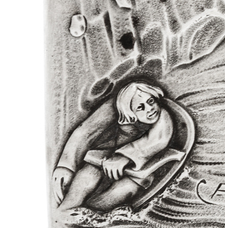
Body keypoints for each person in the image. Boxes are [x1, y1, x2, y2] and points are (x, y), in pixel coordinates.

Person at [53, 82, 174, 212]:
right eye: (140, 107)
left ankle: (91, 215)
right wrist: (65, 166)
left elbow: (157, 141)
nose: (150, 109)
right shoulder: (116, 107)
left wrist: (124, 157)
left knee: (122, 190)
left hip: (142, 170)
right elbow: (86, 132)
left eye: (151, 101)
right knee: (86, 177)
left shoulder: (162, 116)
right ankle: (67, 211)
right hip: (104, 159)